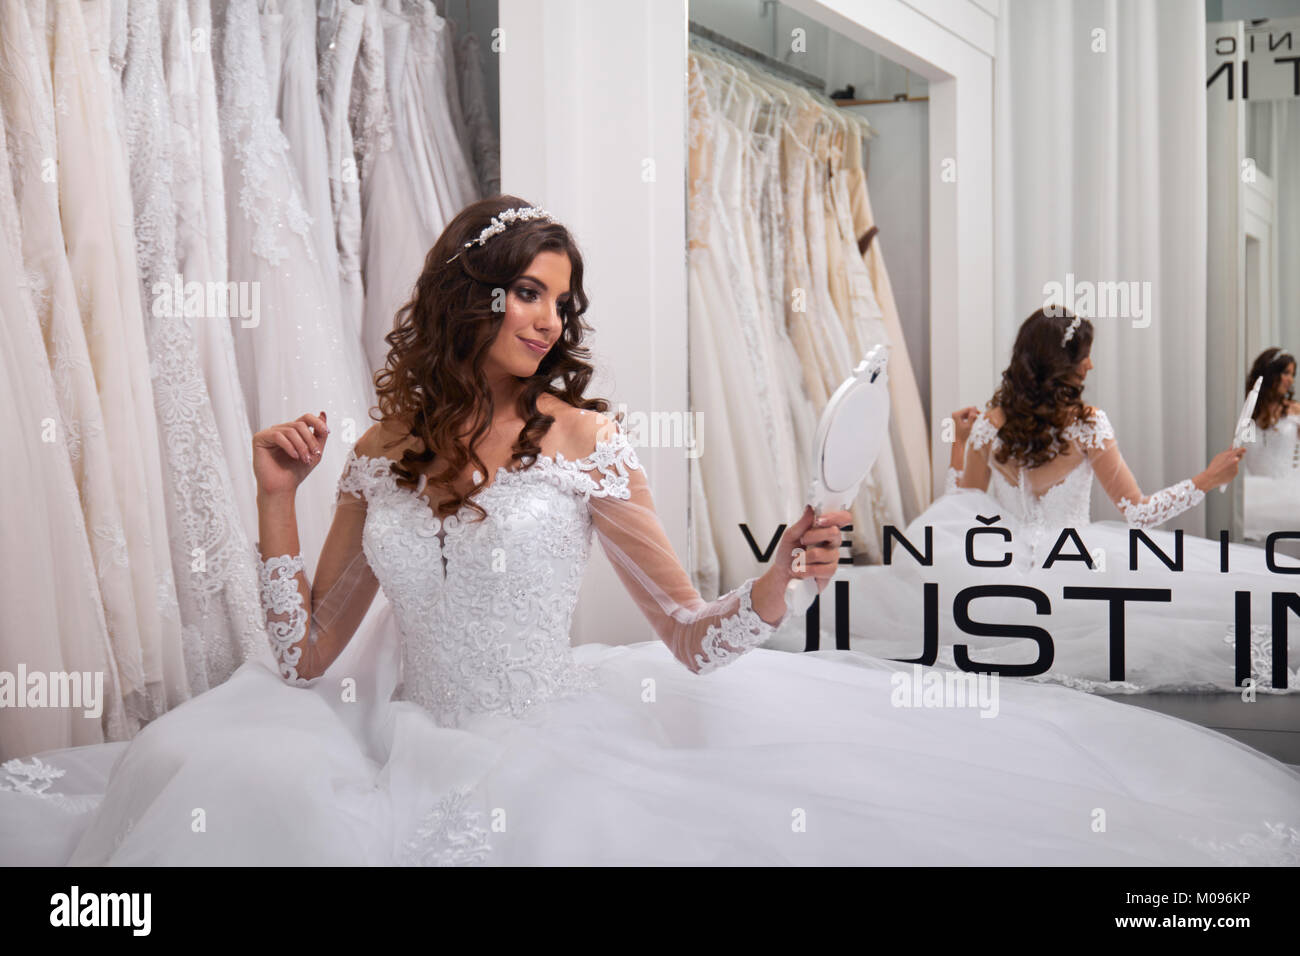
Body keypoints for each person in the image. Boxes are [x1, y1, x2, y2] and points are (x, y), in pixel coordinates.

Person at [2, 204, 1298, 866]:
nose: (546, 319)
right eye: (525, 292)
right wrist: (275, 502)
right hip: (398, 749)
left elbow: (692, 637)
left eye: (561, 301)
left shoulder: (588, 445)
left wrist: (780, 577)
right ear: (469, 300)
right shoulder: (375, 459)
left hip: (559, 737)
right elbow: (299, 657)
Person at [813, 308, 1298, 696]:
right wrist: (1207, 478)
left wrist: (959, 443)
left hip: (1004, 564)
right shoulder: (1088, 424)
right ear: (1059, 364)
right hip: (1076, 559)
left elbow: (961, 502)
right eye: (1085, 355)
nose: (1091, 364)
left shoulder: (991, 422)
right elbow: (1140, 512)